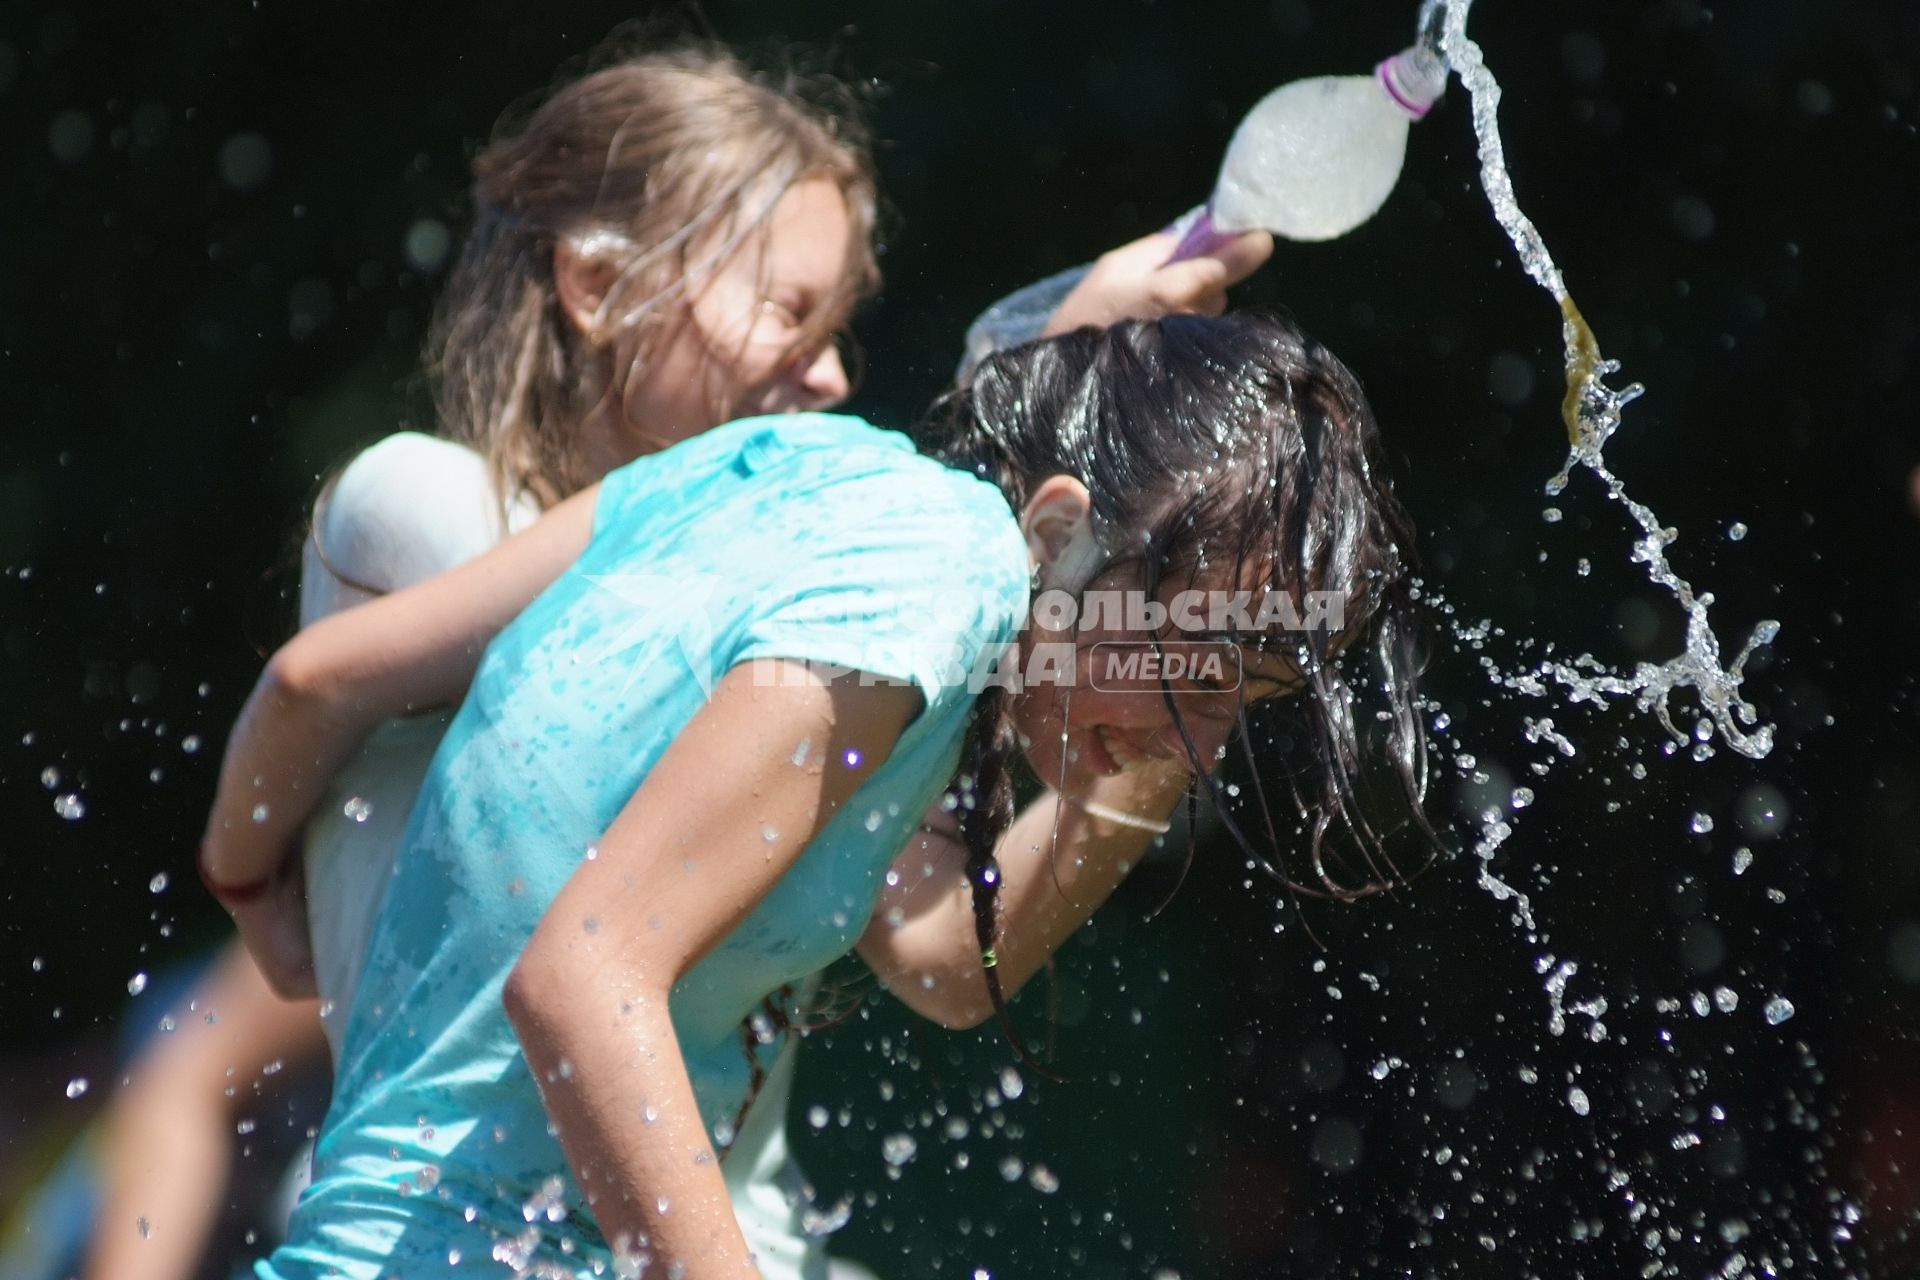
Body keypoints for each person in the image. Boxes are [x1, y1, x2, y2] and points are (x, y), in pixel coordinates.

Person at [86, 35, 1274, 1280]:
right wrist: (243, 877)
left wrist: (1167, 717)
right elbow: (553, 679)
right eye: (787, 310)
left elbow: (940, 949)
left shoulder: (787, 598)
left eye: (839, 326)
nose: (827, 373)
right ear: (597, 289)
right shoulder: (425, 515)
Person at [199, 309, 1427, 1279]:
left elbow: (312, 681)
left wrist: (251, 884)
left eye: (1242, 702)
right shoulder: (926, 599)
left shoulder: (794, 468)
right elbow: (578, 976)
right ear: (1055, 535)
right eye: (1193, 671)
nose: (1202, 745)